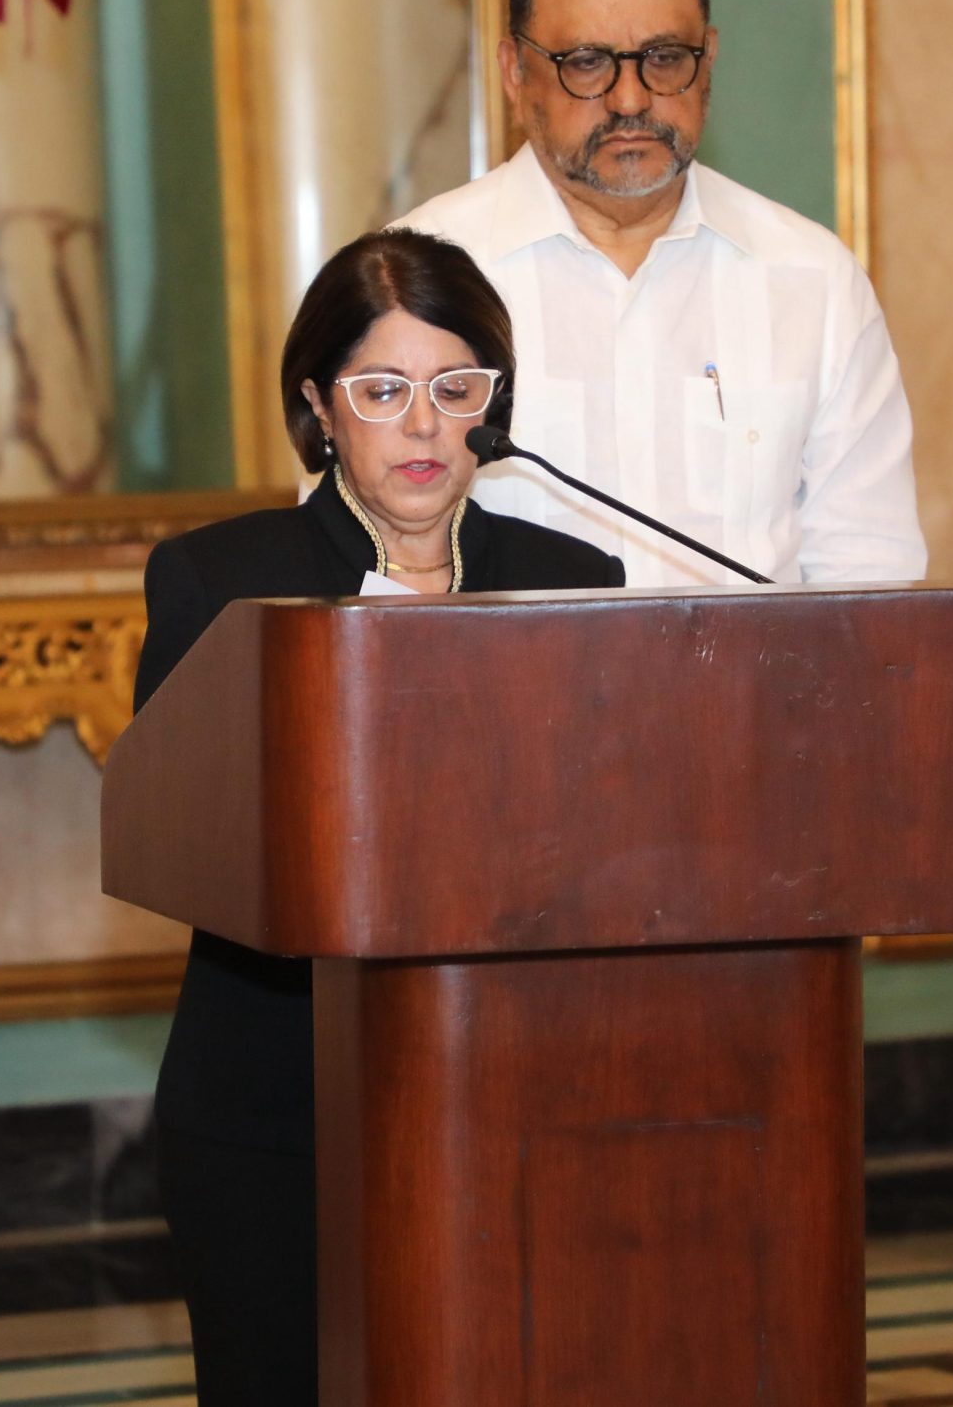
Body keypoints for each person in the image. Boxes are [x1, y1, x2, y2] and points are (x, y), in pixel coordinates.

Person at [133, 228, 622, 1406]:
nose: (422, 426)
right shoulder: (220, 579)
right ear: (318, 404)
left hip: (517, 1098)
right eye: (382, 390)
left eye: (455, 390)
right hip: (275, 1101)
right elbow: (174, 834)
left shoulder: (571, 580)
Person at [398, 0, 928, 587]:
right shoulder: (409, 283)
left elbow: (872, 585)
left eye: (664, 57)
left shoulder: (812, 281)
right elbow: (355, 579)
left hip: (754, 667)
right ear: (515, 73)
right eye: (587, 62)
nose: (630, 99)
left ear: (708, 63)